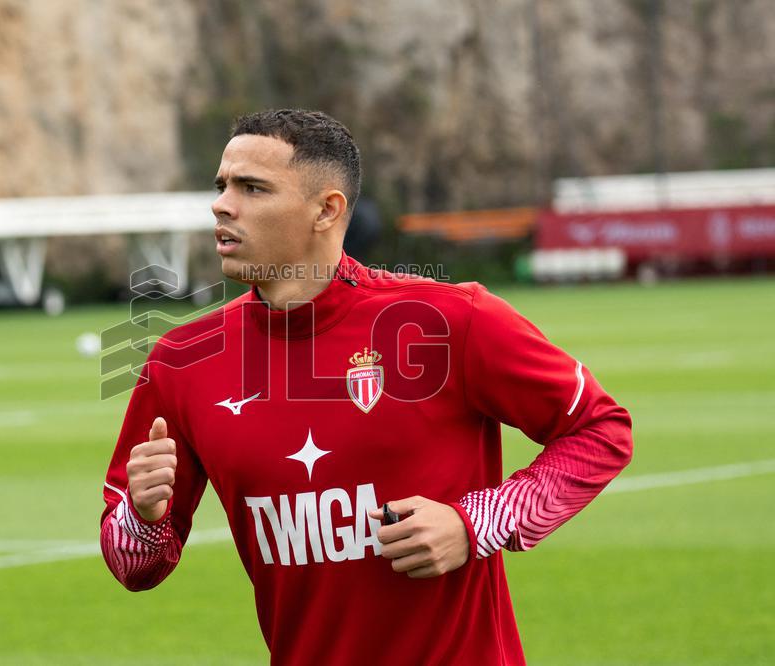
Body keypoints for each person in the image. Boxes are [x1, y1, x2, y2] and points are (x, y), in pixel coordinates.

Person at [99, 109, 633, 665]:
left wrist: (475, 523)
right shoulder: (182, 361)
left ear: (326, 210)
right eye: (222, 185)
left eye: (252, 188)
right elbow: (137, 568)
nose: (222, 205)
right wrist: (142, 516)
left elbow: (602, 430)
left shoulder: (449, 320)